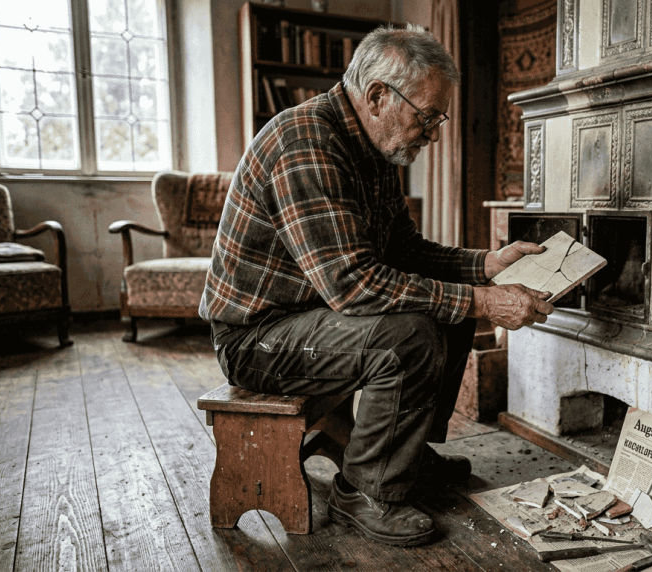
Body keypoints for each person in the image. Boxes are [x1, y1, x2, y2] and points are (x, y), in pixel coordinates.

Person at [199, 24, 554, 547]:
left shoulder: (373, 149)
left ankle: (407, 456)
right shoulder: (305, 143)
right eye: (426, 117)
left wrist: (486, 265)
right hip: (256, 339)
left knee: (451, 311)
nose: (433, 134)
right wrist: (483, 301)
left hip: (311, 316)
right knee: (411, 337)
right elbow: (353, 285)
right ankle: (365, 490)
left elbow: (404, 250)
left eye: (438, 120)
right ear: (377, 96)